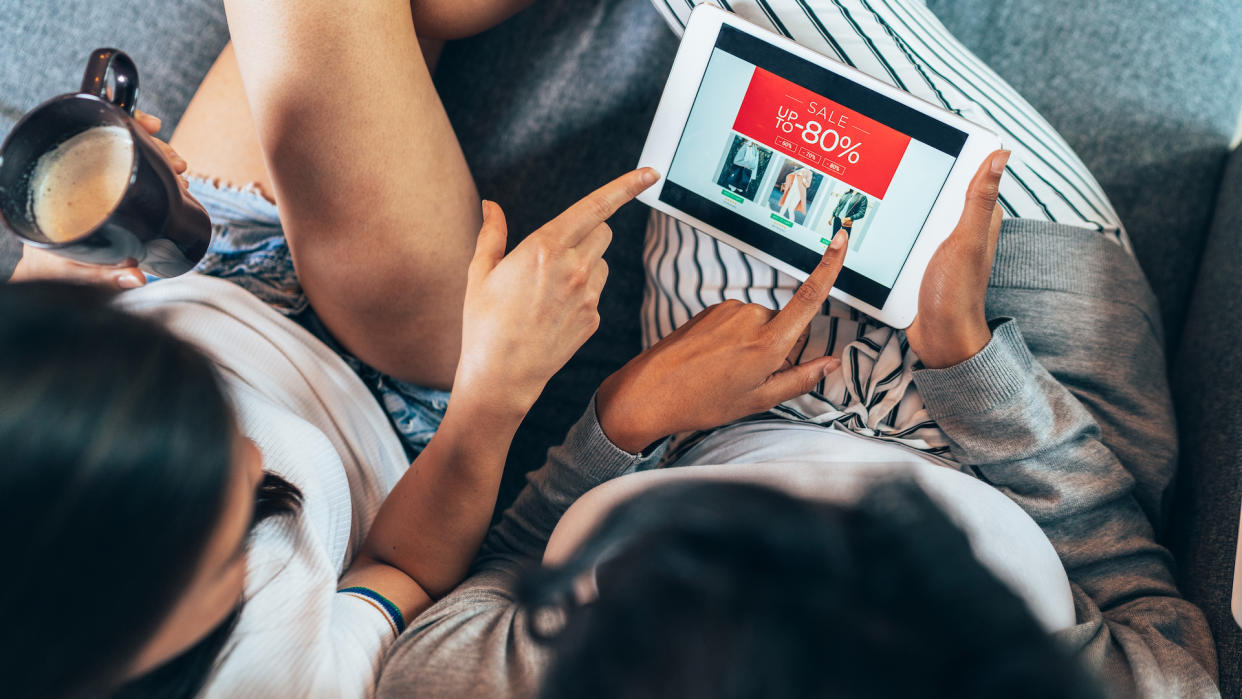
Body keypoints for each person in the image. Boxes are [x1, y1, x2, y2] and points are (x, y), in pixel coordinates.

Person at [374, 1, 1217, 698]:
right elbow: (1148, 612)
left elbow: (496, 580)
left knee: (729, 51)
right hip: (1019, 372)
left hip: (710, 394)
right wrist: (970, 361)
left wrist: (631, 416)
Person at [0, 0, 661, 697]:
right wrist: (493, 394)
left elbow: (34, 318)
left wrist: (72, 250)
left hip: (198, 261)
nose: (258, 454)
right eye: (234, 543)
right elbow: (400, 567)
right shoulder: (277, 680)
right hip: (380, 376)